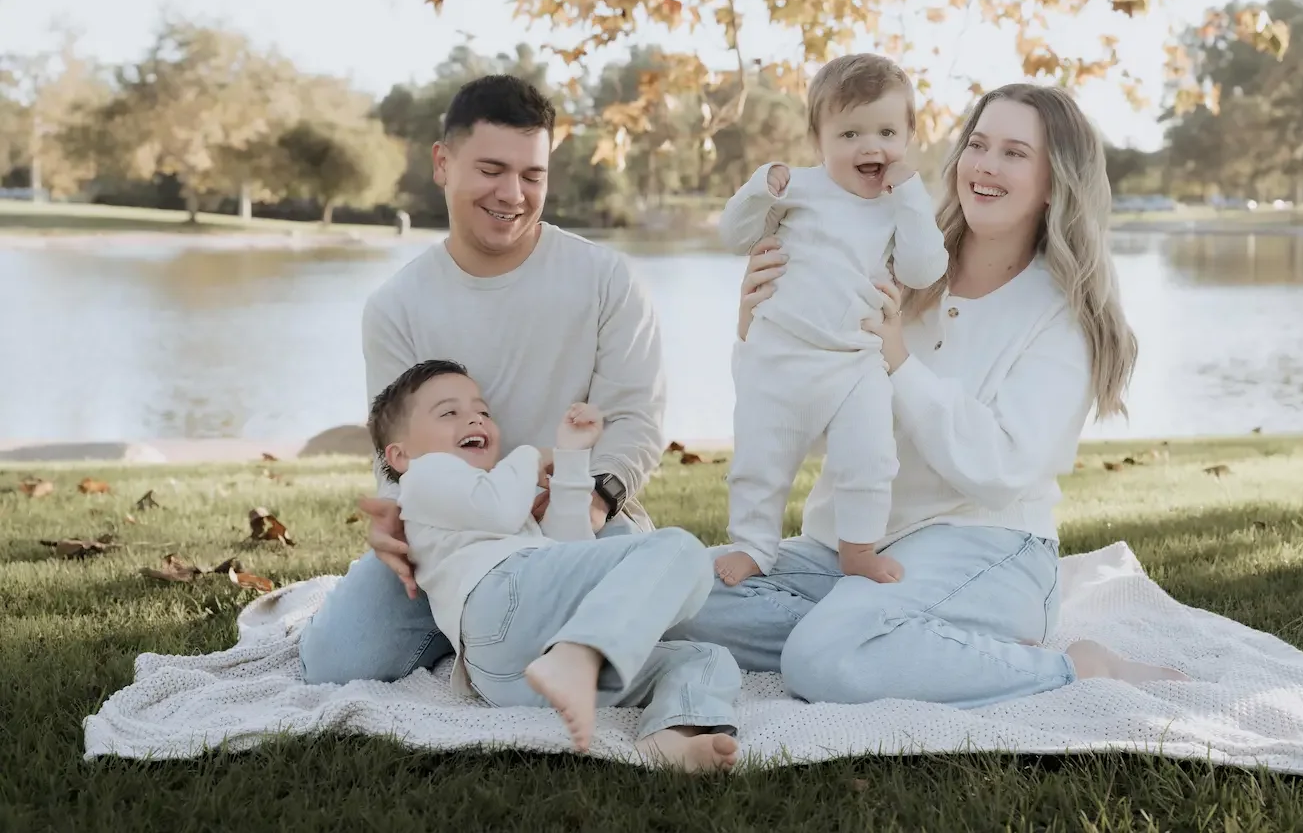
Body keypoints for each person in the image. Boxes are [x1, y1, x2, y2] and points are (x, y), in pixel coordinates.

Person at [672, 83, 1190, 705]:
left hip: (984, 544)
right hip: (849, 547)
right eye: (978, 145)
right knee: (677, 595)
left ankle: (1078, 668)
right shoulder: (898, 259)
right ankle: (916, 642)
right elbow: (806, 427)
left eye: (1015, 153)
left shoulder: (1062, 314)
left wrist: (898, 360)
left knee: (825, 657)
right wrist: (757, 333)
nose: (986, 166)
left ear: (1055, 182)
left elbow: (1000, 469)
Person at [298, 75, 667, 685]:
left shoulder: (608, 279)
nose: (513, 194)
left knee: (640, 649)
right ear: (443, 164)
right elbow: (396, 453)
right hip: (451, 541)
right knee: (339, 663)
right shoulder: (397, 305)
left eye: (532, 175)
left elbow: (636, 422)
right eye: (492, 169)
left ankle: (501, 639)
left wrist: (595, 499)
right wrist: (394, 515)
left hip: (579, 518)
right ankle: (476, 629)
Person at [371, 360, 738, 771]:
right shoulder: (425, 475)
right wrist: (530, 455)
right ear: (399, 455)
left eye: (482, 411)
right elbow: (498, 512)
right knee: (679, 549)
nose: (474, 417)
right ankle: (579, 655)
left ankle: (670, 737)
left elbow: (569, 548)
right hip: (499, 601)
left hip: (512, 677)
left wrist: (572, 459)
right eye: (449, 412)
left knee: (703, 657)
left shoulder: (492, 490)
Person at [715, 54, 948, 587]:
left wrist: (912, 199)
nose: (870, 147)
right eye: (849, 134)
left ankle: (858, 547)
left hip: (855, 359)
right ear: (818, 139)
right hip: (781, 353)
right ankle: (752, 544)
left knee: (870, 457)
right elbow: (734, 237)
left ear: (910, 136)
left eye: (887, 131)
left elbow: (923, 268)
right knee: (760, 456)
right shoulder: (798, 187)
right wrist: (759, 189)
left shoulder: (900, 207)